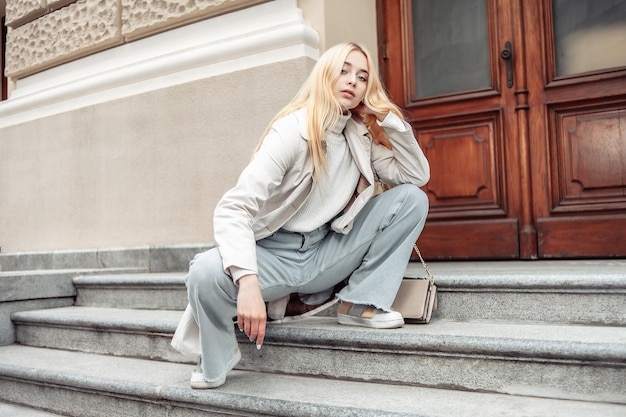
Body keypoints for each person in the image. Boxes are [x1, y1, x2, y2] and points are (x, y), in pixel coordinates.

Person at [182, 42, 430, 389]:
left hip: (326, 253)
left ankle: (359, 304)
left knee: (412, 200)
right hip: (274, 255)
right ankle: (219, 354)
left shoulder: (360, 135)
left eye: (362, 76)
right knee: (203, 272)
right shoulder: (292, 131)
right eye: (343, 70)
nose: (352, 81)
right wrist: (248, 282)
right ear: (324, 73)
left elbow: (415, 176)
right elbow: (233, 208)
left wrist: (388, 119)